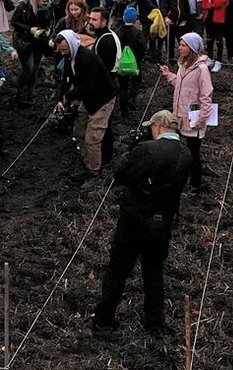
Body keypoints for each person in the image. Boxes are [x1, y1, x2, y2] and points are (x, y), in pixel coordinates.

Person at [89, 110, 191, 336]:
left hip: (134, 220)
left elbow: (121, 175)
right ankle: (154, 321)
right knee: (153, 270)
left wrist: (131, 150)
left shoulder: (147, 150)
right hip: (162, 222)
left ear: (157, 127)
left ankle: (104, 320)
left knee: (118, 269)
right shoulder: (185, 154)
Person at [54, 29, 117, 185]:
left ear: (72, 45)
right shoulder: (70, 57)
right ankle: (87, 162)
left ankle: (94, 173)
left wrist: (68, 97)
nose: (62, 53)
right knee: (79, 132)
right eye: (60, 50)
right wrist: (60, 99)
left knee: (92, 138)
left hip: (102, 100)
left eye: (64, 49)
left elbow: (87, 86)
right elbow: (66, 80)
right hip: (88, 100)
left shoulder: (87, 59)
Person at [161, 33, 213, 190]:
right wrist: (169, 75)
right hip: (179, 114)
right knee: (179, 150)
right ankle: (180, 178)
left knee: (193, 153)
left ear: (191, 48)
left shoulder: (201, 70)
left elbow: (206, 96)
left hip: (193, 117)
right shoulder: (183, 65)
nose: (179, 47)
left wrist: (202, 119)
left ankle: (195, 184)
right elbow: (181, 84)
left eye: (183, 45)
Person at [12, 0, 54, 107]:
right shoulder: (24, 6)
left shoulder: (47, 8)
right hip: (24, 41)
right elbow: (14, 21)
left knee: (35, 68)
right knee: (28, 68)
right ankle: (19, 92)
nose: (46, 4)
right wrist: (29, 29)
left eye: (47, 1)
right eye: (44, 1)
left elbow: (50, 21)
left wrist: (47, 31)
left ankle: (30, 94)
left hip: (39, 41)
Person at [202, 0, 231, 72]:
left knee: (218, 40)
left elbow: (220, 4)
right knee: (209, 39)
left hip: (218, 19)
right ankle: (209, 57)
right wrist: (211, 5)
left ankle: (219, 60)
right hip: (209, 17)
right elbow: (205, 4)